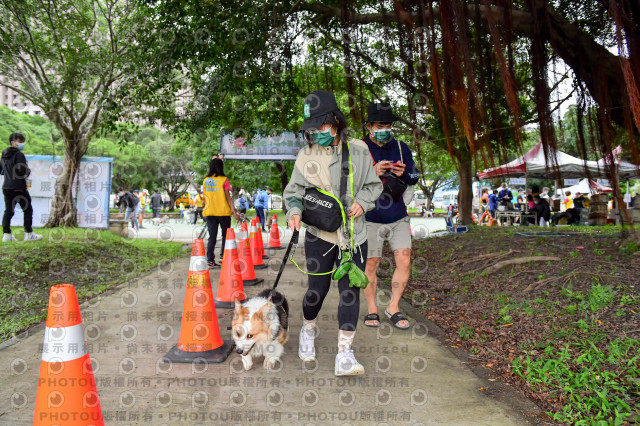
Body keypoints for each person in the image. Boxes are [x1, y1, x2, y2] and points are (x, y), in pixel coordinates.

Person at [284, 90, 383, 376]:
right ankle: (308, 328)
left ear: (335, 121)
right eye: (312, 129)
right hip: (321, 235)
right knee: (316, 291)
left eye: (321, 126)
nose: (317, 133)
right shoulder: (307, 155)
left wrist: (362, 202)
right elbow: (294, 192)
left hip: (355, 236)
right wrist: (294, 212)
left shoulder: (360, 150)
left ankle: (345, 354)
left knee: (350, 293)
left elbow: (374, 186)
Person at [359, 102, 420, 330]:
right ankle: (372, 309)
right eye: (380, 126)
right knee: (371, 263)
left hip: (398, 215)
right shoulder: (359, 148)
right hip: (370, 216)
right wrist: (373, 172)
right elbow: (349, 180)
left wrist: (404, 173)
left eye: (388, 126)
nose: (384, 129)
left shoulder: (401, 147)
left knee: (404, 260)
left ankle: (393, 307)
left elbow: (414, 176)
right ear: (369, 126)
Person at [1, 133, 42, 241]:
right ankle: (29, 234)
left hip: (6, 187)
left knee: (8, 211)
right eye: (19, 141)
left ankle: (6, 235)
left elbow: (1, 171)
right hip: (18, 187)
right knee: (27, 209)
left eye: (22, 142)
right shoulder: (19, 154)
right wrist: (27, 172)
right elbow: (21, 170)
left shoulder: (4, 155)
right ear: (12, 142)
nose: (22, 144)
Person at [202, 158, 239, 268]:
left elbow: (204, 198)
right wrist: (234, 210)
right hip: (223, 212)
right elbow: (228, 197)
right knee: (225, 236)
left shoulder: (206, 180)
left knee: (212, 237)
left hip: (210, 212)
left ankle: (210, 260)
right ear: (221, 167)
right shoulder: (224, 180)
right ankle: (223, 257)